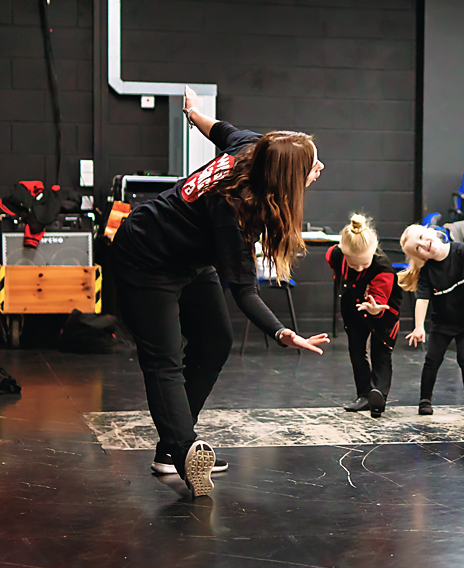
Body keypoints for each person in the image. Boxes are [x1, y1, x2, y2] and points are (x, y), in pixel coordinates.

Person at [112, 86, 329, 498]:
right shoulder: (236, 209)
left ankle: (171, 448)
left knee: (215, 340)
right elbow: (245, 291)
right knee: (163, 357)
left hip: (189, 256)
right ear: (286, 180)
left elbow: (220, 129)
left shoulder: (251, 147)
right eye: (310, 167)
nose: (318, 168)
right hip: (146, 253)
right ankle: (182, 450)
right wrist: (283, 333)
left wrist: (194, 114)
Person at [399, 225, 464, 417]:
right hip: (442, 322)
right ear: (421, 257)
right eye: (417, 248)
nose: (422, 244)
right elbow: (422, 299)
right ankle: (425, 400)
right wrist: (419, 326)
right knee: (432, 360)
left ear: (432, 233)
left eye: (421, 237)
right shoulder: (428, 271)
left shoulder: (460, 250)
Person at [326, 213, 402, 418]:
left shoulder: (383, 267)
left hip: (382, 311)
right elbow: (334, 265)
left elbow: (379, 300)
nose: (359, 269)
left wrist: (375, 308)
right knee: (356, 351)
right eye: (353, 265)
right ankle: (364, 394)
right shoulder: (336, 254)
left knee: (381, 352)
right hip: (353, 306)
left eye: (364, 265)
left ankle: (378, 396)